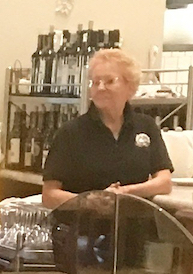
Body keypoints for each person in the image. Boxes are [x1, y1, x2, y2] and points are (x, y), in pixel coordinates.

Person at [42, 47, 174, 209]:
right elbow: (49, 195)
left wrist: (126, 192)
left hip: (137, 229)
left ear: (130, 86)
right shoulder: (71, 132)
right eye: (95, 82)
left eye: (109, 81)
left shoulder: (146, 126)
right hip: (85, 229)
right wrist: (90, 201)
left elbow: (164, 182)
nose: (101, 88)